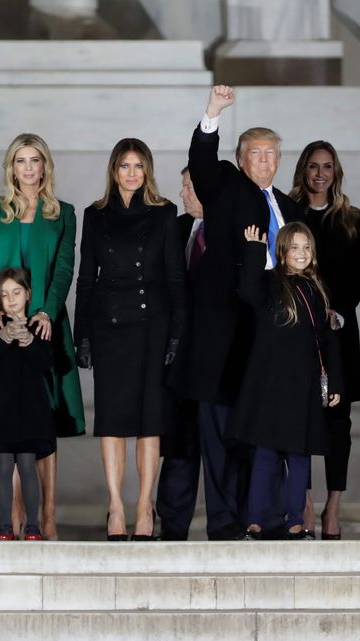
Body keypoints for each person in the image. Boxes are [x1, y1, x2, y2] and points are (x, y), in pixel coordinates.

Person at [170, 84, 304, 540]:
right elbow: (203, 163)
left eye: (271, 155)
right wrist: (213, 113)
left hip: (271, 338)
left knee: (263, 434)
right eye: (256, 154)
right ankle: (226, 523)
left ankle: (264, 516)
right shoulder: (226, 184)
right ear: (242, 159)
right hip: (224, 337)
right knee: (222, 435)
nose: (264, 162)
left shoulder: (290, 209)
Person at [73, 138, 187, 541]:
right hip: (109, 327)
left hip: (153, 328)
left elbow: (175, 278)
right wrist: (81, 335)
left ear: (148, 171)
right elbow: (86, 279)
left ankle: (144, 506)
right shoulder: (95, 214)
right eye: (125, 165)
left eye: (139, 166)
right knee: (113, 421)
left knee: (149, 422)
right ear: (114, 170)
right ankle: (116, 506)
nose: (132, 173)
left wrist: (177, 335)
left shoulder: (164, 213)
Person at [0, 133, 85, 541]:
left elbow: (62, 270)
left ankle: (46, 518)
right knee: (6, 426)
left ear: (44, 166)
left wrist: (45, 311)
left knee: (42, 424)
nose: (27, 168)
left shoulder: (64, 213)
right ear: (11, 167)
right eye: (20, 160)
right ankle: (13, 519)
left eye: (34, 160)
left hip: (44, 326)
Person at [229, 222, 343, 540]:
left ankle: (295, 520)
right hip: (270, 386)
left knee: (298, 455)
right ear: (282, 251)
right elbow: (247, 290)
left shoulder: (316, 290)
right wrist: (254, 250)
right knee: (265, 454)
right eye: (295, 247)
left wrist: (335, 384)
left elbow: (328, 341)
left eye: (307, 247)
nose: (302, 253)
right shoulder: (269, 283)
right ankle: (257, 519)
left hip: (303, 387)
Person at [289, 141, 360, 540]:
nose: (320, 173)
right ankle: (302, 503)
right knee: (300, 422)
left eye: (328, 167)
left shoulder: (351, 218)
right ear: (303, 170)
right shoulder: (289, 214)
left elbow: (358, 280)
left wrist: (332, 312)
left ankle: (332, 508)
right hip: (297, 336)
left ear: (336, 172)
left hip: (338, 334)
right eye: (314, 166)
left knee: (339, 424)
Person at [0, 267, 55, 541]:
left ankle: (33, 525)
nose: (11, 299)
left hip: (30, 410)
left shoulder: (37, 327)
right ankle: (4, 526)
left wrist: (29, 341)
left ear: (28, 294)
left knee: (28, 466)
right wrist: (5, 337)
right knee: (3, 466)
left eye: (16, 293)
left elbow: (46, 363)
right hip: (0, 411)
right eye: (5, 295)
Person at [156, 167, 204, 541]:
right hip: (176, 356)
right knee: (178, 447)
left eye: (190, 187)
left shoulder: (229, 229)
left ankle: (229, 526)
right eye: (183, 185)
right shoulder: (173, 227)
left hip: (217, 359)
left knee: (223, 449)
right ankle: (172, 530)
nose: (183, 193)